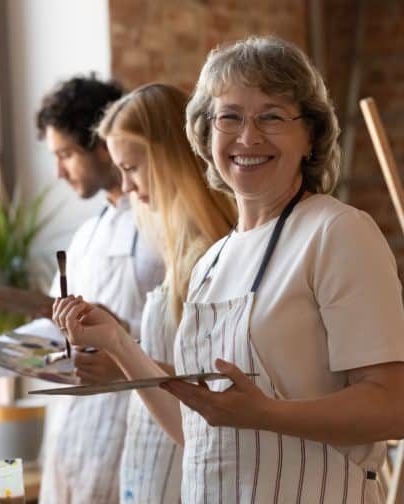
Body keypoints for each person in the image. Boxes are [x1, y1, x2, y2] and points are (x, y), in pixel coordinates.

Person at [54, 36, 404, 503]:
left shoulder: (337, 232)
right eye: (230, 117)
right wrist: (119, 344)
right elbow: (199, 430)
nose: (248, 137)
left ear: (310, 137)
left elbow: (389, 408)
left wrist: (263, 414)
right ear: (205, 134)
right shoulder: (212, 260)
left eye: (272, 117)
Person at [0, 77, 165, 503]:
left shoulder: (164, 228)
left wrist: (125, 349)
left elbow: (182, 338)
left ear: (105, 145)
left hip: (135, 438)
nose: (59, 171)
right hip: (72, 440)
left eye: (66, 154)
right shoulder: (87, 236)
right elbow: (53, 336)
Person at [94, 82, 236, 503]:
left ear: (170, 158)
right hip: (150, 469)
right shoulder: (178, 251)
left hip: (183, 475)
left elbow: (208, 401)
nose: (126, 187)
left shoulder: (210, 257)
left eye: (132, 168)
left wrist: (122, 354)